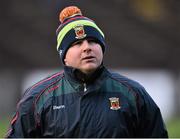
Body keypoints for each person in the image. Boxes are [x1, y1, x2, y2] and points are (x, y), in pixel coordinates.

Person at [6, 6, 168, 138]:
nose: (87, 47)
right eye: (77, 43)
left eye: (92, 41)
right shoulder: (38, 97)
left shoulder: (133, 93)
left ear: (102, 48)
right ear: (64, 56)